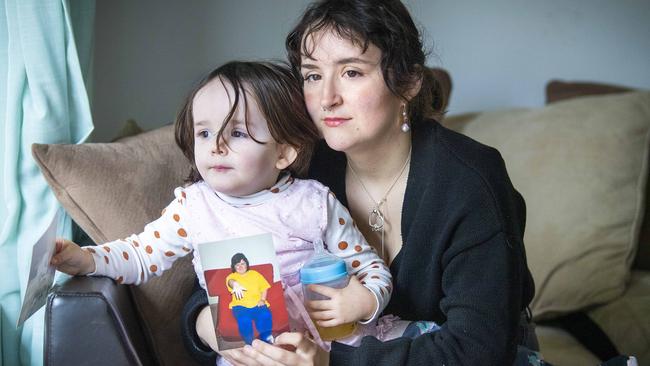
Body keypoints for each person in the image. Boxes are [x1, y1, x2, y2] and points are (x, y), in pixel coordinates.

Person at [181, 1, 539, 365]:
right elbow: (216, 269)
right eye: (313, 76)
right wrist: (207, 325)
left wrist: (328, 362)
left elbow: (478, 350)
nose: (327, 99)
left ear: (410, 82)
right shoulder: (300, 166)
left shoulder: (469, 179)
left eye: (351, 72)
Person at [50, 61, 396, 363]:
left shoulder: (313, 203)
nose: (216, 145)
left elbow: (371, 268)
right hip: (249, 358)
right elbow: (141, 255)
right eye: (204, 132)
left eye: (237, 132)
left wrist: (364, 301)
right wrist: (87, 259)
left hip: (330, 352)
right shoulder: (193, 208)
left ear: (285, 152)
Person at [226, 253, 273, 345]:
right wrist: (236, 284)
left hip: (257, 303)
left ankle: (266, 339)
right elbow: (230, 282)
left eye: (242, 263)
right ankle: (249, 342)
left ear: (247, 264)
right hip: (240, 306)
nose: (240, 266)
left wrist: (262, 300)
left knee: (265, 315)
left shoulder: (255, 274)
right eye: (237, 264)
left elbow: (264, 288)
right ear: (233, 267)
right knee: (244, 321)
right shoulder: (232, 276)